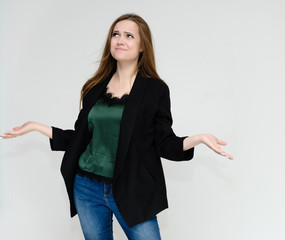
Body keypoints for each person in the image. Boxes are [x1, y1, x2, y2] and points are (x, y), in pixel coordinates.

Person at [1, 13, 233, 240]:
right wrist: (36, 127)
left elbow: (164, 143)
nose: (120, 40)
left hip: (131, 187)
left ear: (143, 46)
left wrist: (198, 139)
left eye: (129, 36)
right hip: (86, 188)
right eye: (116, 34)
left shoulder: (155, 90)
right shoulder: (94, 87)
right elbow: (81, 139)